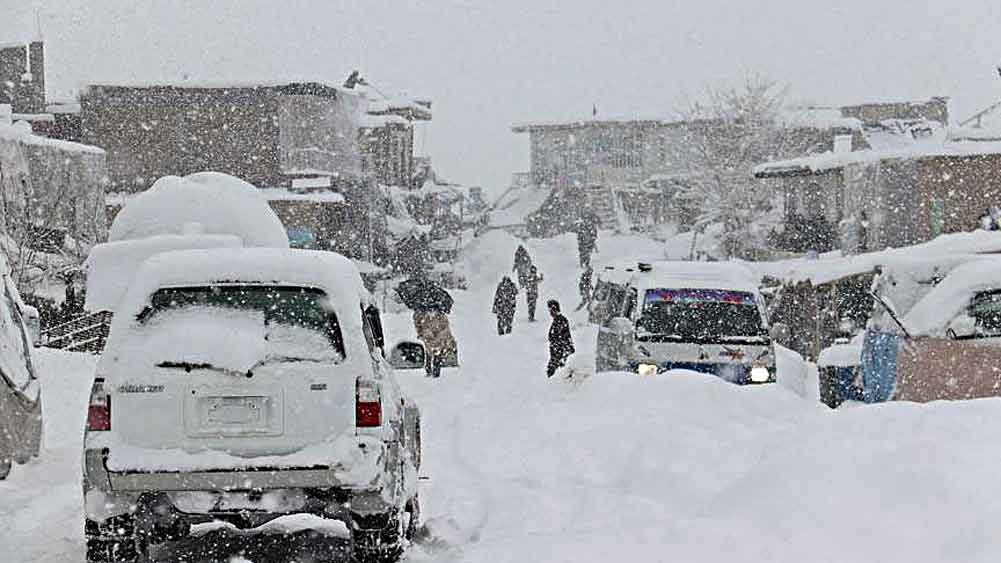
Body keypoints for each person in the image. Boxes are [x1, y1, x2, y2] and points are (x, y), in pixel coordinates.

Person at [414, 309, 456, 378]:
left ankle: (431, 369)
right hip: (433, 332)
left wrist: (420, 333)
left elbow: (418, 323)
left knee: (432, 351)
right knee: (433, 351)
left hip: (433, 333)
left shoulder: (422, 313)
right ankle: (432, 369)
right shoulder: (439, 314)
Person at [546, 299, 575, 378]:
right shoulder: (557, 320)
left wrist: (555, 361)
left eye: (551, 310)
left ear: (555, 309)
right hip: (558, 354)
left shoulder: (560, 321)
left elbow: (560, 339)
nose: (550, 313)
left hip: (560, 354)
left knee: (556, 376)